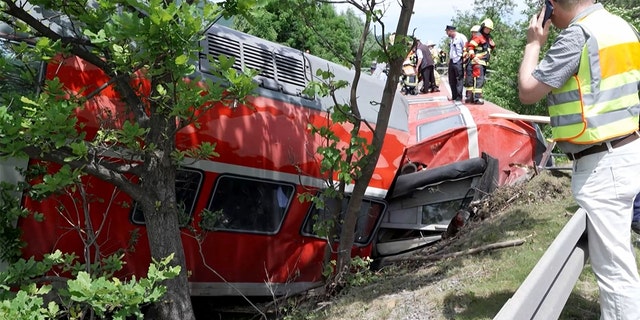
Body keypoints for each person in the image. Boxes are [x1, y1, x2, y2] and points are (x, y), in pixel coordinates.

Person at [518, 1, 640, 318]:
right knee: (620, 257)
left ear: (554, 5)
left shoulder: (578, 35)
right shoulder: (621, 27)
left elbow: (528, 91)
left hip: (603, 163)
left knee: (615, 273)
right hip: (629, 149)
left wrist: (534, 45)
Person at [465, 19, 496, 104]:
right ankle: (476, 98)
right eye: (486, 28)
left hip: (483, 62)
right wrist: (473, 57)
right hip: (478, 62)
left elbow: (490, 47)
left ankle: (471, 97)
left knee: (478, 80)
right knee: (479, 80)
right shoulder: (478, 36)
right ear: (483, 27)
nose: (488, 30)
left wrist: (492, 45)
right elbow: (470, 47)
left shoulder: (488, 38)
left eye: (489, 29)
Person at [445, 25, 467, 101]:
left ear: (451, 31)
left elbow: (466, 48)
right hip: (452, 61)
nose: (447, 33)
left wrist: (464, 61)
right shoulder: (452, 39)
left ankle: (458, 96)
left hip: (459, 60)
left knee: (459, 79)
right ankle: (454, 96)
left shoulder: (461, 37)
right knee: (451, 79)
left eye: (447, 32)